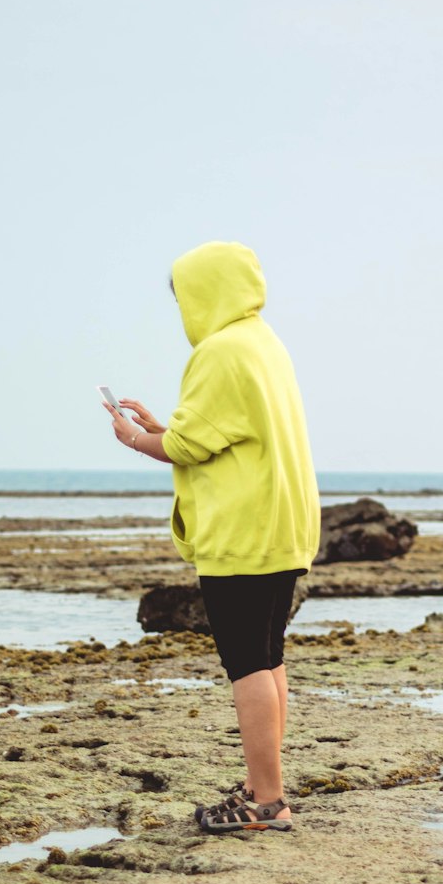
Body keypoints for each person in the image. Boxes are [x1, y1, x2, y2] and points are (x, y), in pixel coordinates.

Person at [103, 240, 320, 833]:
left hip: (241, 534)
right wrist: (167, 425)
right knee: (269, 658)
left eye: (184, 296)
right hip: (280, 527)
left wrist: (135, 437)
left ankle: (267, 803)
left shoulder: (219, 352)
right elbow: (227, 431)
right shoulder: (262, 342)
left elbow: (187, 446)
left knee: (246, 664)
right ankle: (261, 786)